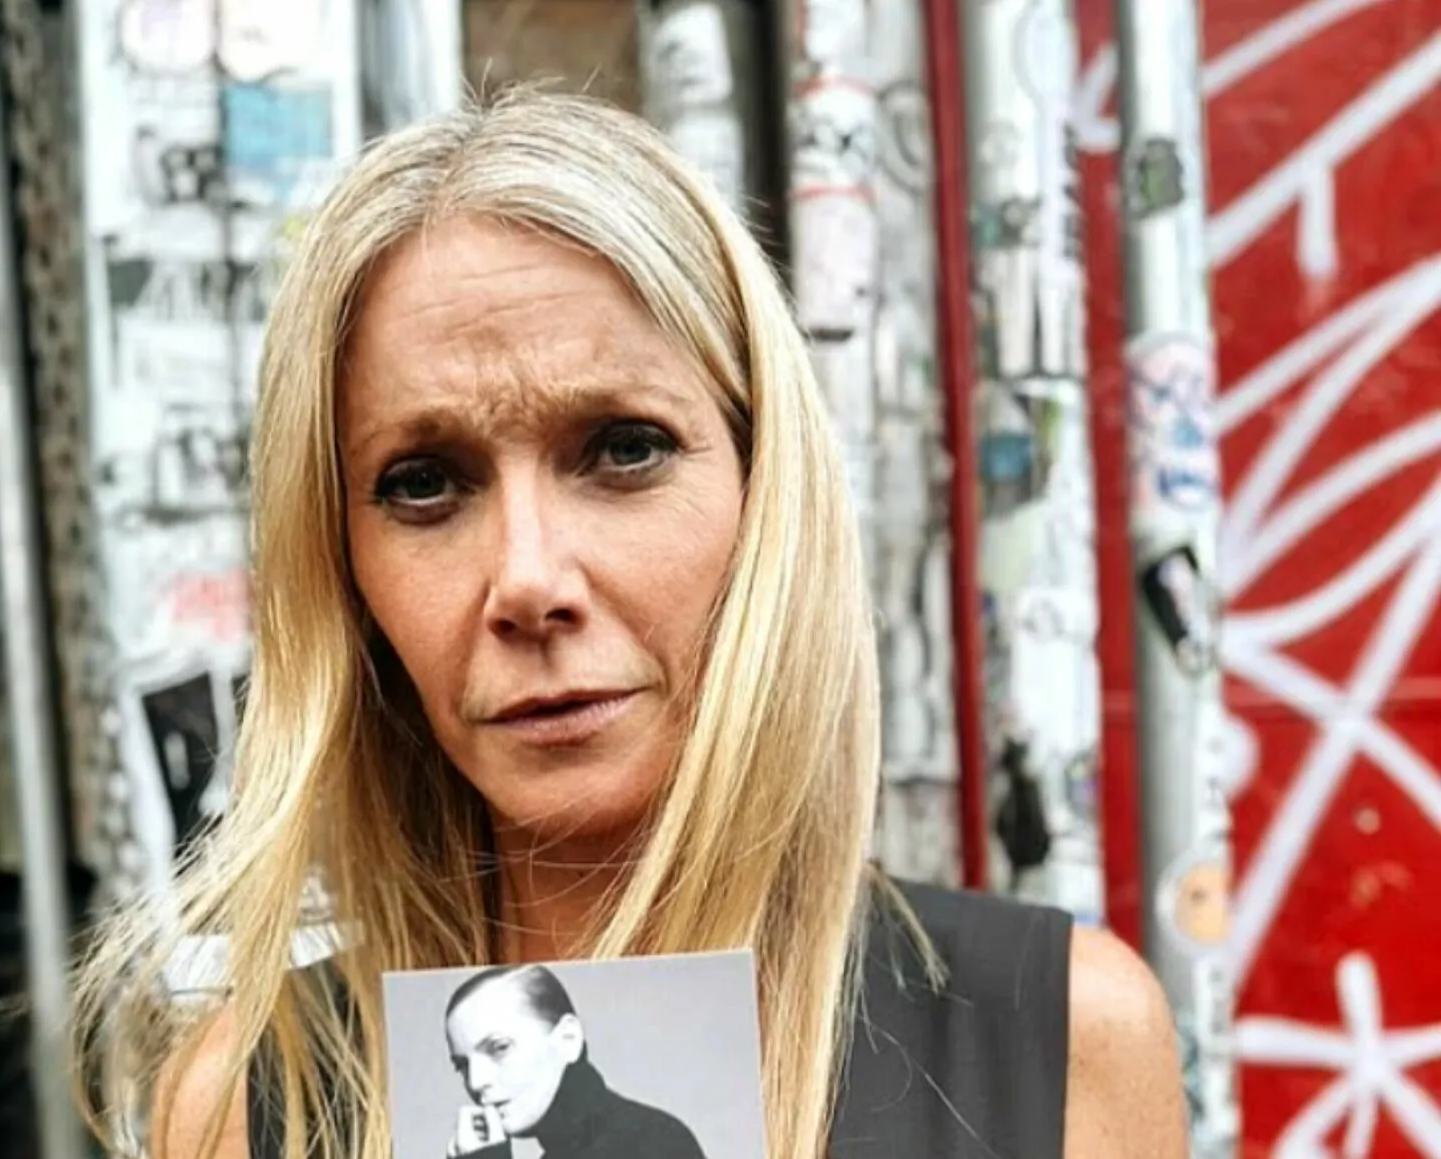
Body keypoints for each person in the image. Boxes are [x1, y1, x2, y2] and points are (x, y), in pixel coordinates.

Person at [71, 87, 1189, 1159]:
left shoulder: (1059, 1045)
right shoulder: (246, 1104)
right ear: (344, 569)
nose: (527, 580)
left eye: (623, 448)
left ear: (763, 486)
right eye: (424, 483)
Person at [438, 965, 707, 1159]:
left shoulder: (653, 1143)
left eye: (500, 1048)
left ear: (568, 1039)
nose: (476, 1081)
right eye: (462, 1065)